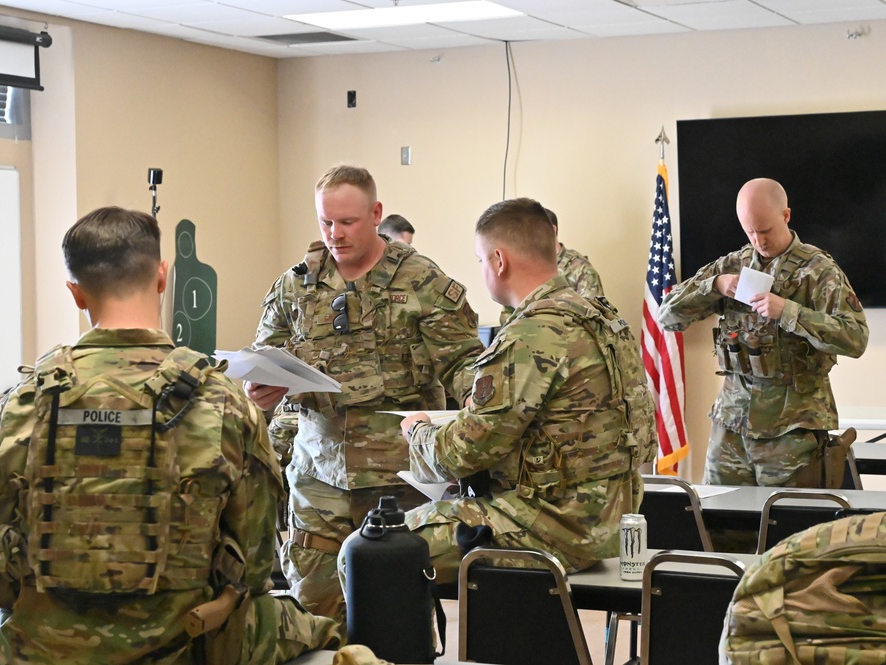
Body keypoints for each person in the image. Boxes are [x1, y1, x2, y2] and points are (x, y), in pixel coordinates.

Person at [0, 207, 340, 665]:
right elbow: (258, 563)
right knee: (324, 634)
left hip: (36, 651)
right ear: (162, 277)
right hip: (184, 647)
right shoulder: (221, 401)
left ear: (76, 293)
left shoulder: (23, 401)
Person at [347, 197, 656, 583]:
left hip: (554, 528)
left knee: (367, 552)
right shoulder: (602, 319)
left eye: (480, 260)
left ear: (498, 260)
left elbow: (461, 453)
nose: (482, 270)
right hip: (609, 519)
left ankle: (385, 647)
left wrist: (419, 433)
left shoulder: (531, 334)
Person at [247, 165, 483, 622]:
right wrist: (262, 389)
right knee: (314, 613)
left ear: (376, 213)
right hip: (317, 475)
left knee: (394, 618)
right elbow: (264, 357)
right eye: (325, 222)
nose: (335, 234)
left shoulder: (422, 282)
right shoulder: (296, 284)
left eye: (347, 222)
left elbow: (464, 369)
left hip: (399, 481)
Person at [658, 178, 868, 487]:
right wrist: (713, 285)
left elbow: (855, 338)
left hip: (792, 432)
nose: (759, 241)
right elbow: (667, 316)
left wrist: (789, 312)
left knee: (790, 527)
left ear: (786, 216)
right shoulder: (733, 265)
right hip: (731, 428)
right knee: (719, 525)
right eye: (750, 232)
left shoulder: (818, 271)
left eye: (766, 230)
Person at [498, 207, 604, 325]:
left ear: (552, 230)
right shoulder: (527, 267)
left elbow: (595, 318)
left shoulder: (580, 269)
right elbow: (507, 314)